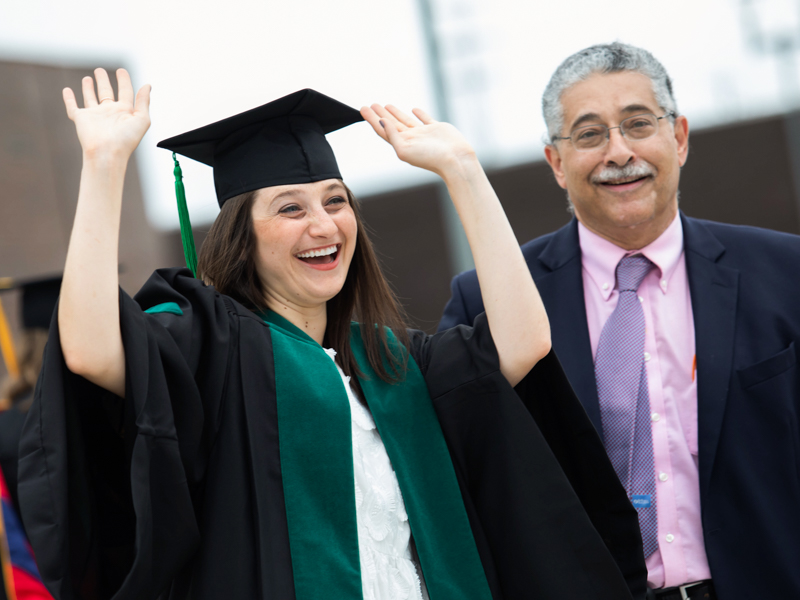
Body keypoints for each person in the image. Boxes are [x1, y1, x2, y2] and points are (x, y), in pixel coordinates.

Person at [18, 68, 646, 600]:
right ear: (244, 236)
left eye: (335, 200)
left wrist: (461, 170)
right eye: (290, 207)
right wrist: (103, 167)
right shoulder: (209, 344)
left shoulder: (394, 363)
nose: (323, 224)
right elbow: (91, 349)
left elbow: (523, 344)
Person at [439, 42, 800, 600]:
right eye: (589, 134)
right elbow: (468, 481)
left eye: (637, 124)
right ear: (556, 163)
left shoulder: (786, 273)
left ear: (678, 138)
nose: (618, 151)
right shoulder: (490, 301)